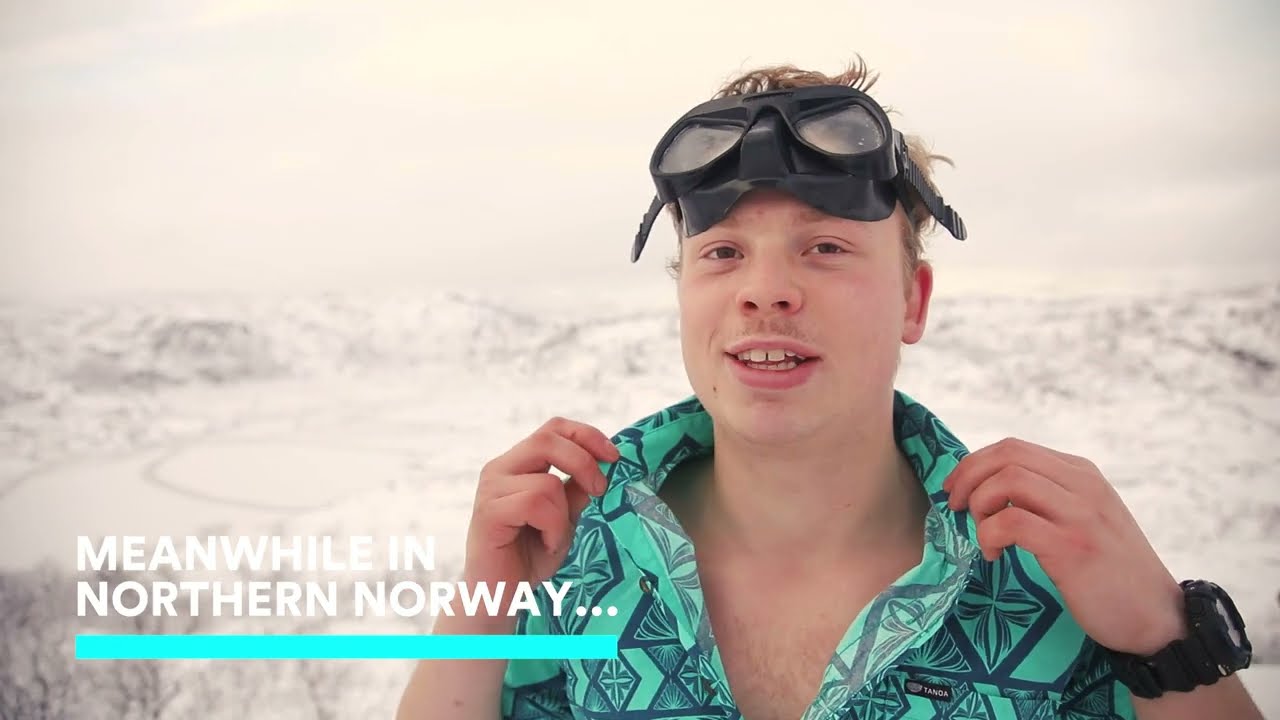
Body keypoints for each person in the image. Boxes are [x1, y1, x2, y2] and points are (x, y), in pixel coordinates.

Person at [396, 58, 1262, 720]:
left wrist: (1167, 641)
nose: (765, 291)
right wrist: (483, 598)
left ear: (912, 301)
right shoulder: (574, 550)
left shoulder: (1045, 570)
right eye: (723, 252)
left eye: (826, 248)